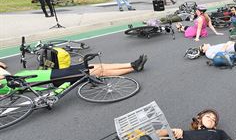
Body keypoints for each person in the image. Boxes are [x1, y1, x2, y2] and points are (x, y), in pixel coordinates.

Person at [0, 55, 147, 86]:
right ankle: (132, 67)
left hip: (46, 74)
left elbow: (3, 65)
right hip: (49, 78)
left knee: (96, 66)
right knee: (97, 71)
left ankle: (131, 64)